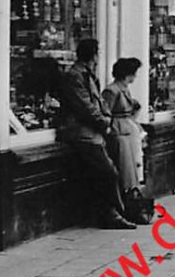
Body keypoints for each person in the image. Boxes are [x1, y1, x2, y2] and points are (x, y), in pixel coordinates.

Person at [55, 39, 135, 229]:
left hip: (95, 132)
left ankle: (118, 210)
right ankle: (112, 214)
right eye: (97, 53)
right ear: (93, 55)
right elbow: (85, 107)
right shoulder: (75, 76)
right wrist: (105, 123)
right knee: (109, 172)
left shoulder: (88, 75)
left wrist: (106, 121)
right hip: (83, 133)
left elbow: (99, 104)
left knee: (112, 168)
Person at [102, 57, 144, 196]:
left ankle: (130, 194)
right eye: (134, 73)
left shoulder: (124, 89)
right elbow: (106, 112)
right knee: (125, 169)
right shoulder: (112, 90)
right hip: (119, 131)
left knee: (131, 168)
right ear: (128, 74)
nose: (136, 76)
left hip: (127, 130)